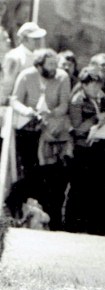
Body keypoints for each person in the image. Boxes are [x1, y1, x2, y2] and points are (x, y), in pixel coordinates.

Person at [8, 47, 71, 229]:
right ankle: (17, 205)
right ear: (39, 64)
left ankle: (46, 214)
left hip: (52, 132)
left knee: (49, 173)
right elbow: (15, 100)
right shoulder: (27, 75)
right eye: (50, 64)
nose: (53, 68)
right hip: (29, 130)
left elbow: (63, 104)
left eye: (55, 64)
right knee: (30, 171)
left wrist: (50, 114)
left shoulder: (62, 77)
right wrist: (27, 111)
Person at [66, 65, 105, 234]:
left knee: (96, 188)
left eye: (98, 84)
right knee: (79, 188)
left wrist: (104, 120)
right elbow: (77, 128)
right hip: (82, 149)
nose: (96, 87)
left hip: (99, 148)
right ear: (84, 84)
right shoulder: (78, 100)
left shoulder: (102, 98)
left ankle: (91, 226)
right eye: (92, 84)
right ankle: (72, 226)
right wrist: (95, 119)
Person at [0, 21, 46, 105]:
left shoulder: (40, 56)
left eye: (39, 38)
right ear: (24, 39)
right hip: (19, 106)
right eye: (34, 38)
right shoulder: (15, 56)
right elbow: (7, 85)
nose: (38, 41)